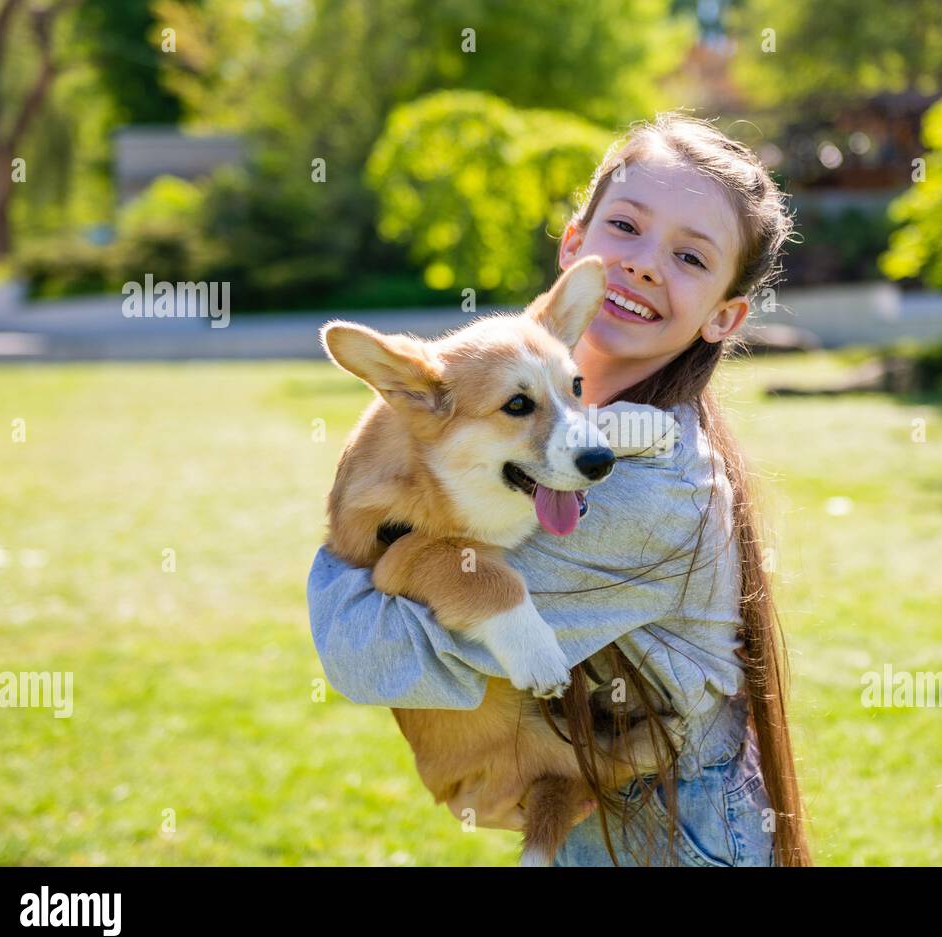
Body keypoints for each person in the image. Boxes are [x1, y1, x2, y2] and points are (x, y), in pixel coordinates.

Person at [308, 112, 810, 866]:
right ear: (575, 243)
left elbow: (369, 656)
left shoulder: (648, 494)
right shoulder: (569, 430)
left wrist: (363, 556)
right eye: (627, 226)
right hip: (604, 815)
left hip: (671, 834)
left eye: (690, 257)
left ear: (726, 318)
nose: (644, 265)